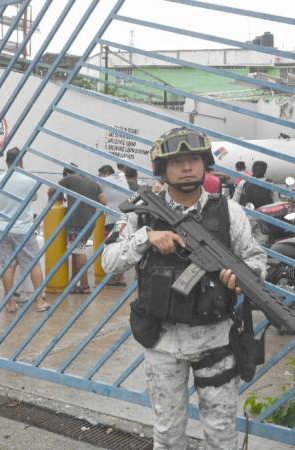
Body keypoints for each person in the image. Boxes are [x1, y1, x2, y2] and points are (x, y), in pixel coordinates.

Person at [103, 127, 266, 450]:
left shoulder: (228, 211)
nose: (187, 167)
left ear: (206, 165)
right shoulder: (143, 213)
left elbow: (256, 258)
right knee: (167, 431)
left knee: (221, 434)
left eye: (193, 160)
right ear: (162, 169)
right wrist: (145, 238)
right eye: (177, 161)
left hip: (216, 340)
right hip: (162, 340)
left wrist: (245, 275)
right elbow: (109, 261)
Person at [0, 148, 50, 313]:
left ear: (6, 161)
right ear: (21, 161)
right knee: (33, 264)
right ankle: (40, 302)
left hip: (3, 227)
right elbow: (33, 198)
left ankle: (10, 303)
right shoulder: (29, 180)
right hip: (23, 227)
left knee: (7, 265)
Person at [49, 164, 106, 293]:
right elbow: (103, 201)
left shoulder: (69, 179)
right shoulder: (93, 182)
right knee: (76, 250)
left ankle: (85, 285)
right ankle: (74, 281)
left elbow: (51, 190)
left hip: (76, 221)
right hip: (90, 222)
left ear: (67, 173)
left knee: (79, 251)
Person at [98, 164, 131, 286]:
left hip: (112, 219)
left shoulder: (104, 181)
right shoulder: (122, 179)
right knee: (120, 245)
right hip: (124, 219)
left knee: (111, 246)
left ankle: (113, 277)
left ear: (105, 173)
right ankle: (120, 277)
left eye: (101, 174)